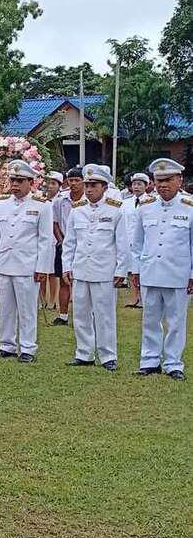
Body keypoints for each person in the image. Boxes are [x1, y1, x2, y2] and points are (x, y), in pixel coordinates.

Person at [129, 158, 192, 381]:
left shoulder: (189, 207)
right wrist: (135, 270)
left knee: (176, 321)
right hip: (150, 271)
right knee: (150, 319)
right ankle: (149, 361)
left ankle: (174, 363)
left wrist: (192, 274)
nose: (163, 185)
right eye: (159, 180)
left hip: (178, 273)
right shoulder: (145, 207)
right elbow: (137, 243)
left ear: (179, 180)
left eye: (168, 180)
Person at [0, 160, 54, 363]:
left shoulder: (42, 205)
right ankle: (6, 345)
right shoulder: (0, 204)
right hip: (4, 263)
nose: (15, 184)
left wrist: (42, 267)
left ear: (30, 183)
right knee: (5, 308)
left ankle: (27, 348)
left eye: (20, 181)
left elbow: (45, 240)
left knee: (27, 310)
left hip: (27, 266)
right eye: (13, 180)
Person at [61, 164, 127, 371]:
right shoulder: (77, 210)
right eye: (87, 185)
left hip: (104, 271)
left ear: (104, 187)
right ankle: (84, 353)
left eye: (94, 185)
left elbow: (122, 244)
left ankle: (108, 356)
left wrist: (121, 270)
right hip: (81, 269)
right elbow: (70, 243)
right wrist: (66, 266)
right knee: (80, 314)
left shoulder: (116, 210)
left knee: (104, 315)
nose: (89, 189)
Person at [52, 166, 85, 325]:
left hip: (84, 245)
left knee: (83, 282)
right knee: (64, 280)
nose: (73, 184)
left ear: (83, 182)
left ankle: (85, 315)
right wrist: (61, 241)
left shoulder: (88, 199)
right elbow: (55, 223)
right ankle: (63, 315)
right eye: (71, 180)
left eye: (77, 180)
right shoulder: (60, 200)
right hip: (65, 244)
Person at [121, 172, 150, 308]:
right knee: (132, 271)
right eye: (134, 184)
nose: (136, 187)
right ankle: (134, 298)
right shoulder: (125, 203)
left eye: (139, 184)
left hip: (144, 242)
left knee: (143, 271)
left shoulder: (151, 202)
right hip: (129, 241)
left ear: (146, 186)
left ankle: (144, 298)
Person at [41, 171, 64, 311]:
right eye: (48, 183)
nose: (50, 186)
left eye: (53, 183)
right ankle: (42, 299)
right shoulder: (41, 198)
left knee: (52, 272)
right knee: (42, 269)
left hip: (55, 238)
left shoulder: (61, 200)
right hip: (43, 237)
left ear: (59, 185)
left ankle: (53, 300)